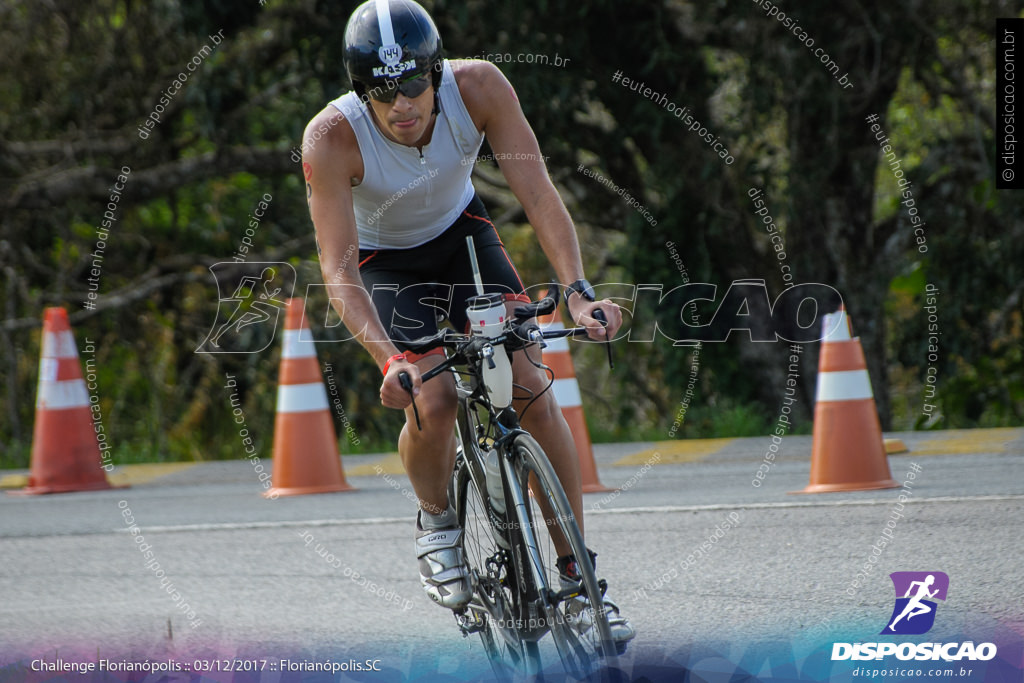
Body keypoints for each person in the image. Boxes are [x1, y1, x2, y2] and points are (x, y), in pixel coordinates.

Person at [302, 0, 634, 647]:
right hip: (383, 264)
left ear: (436, 72)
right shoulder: (331, 138)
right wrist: (387, 358)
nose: (400, 105)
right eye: (380, 91)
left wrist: (578, 291)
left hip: (463, 239)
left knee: (533, 386)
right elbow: (339, 271)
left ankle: (577, 580)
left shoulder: (479, 87)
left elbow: (538, 193)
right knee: (434, 394)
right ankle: (436, 521)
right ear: (359, 91)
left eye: (412, 85)